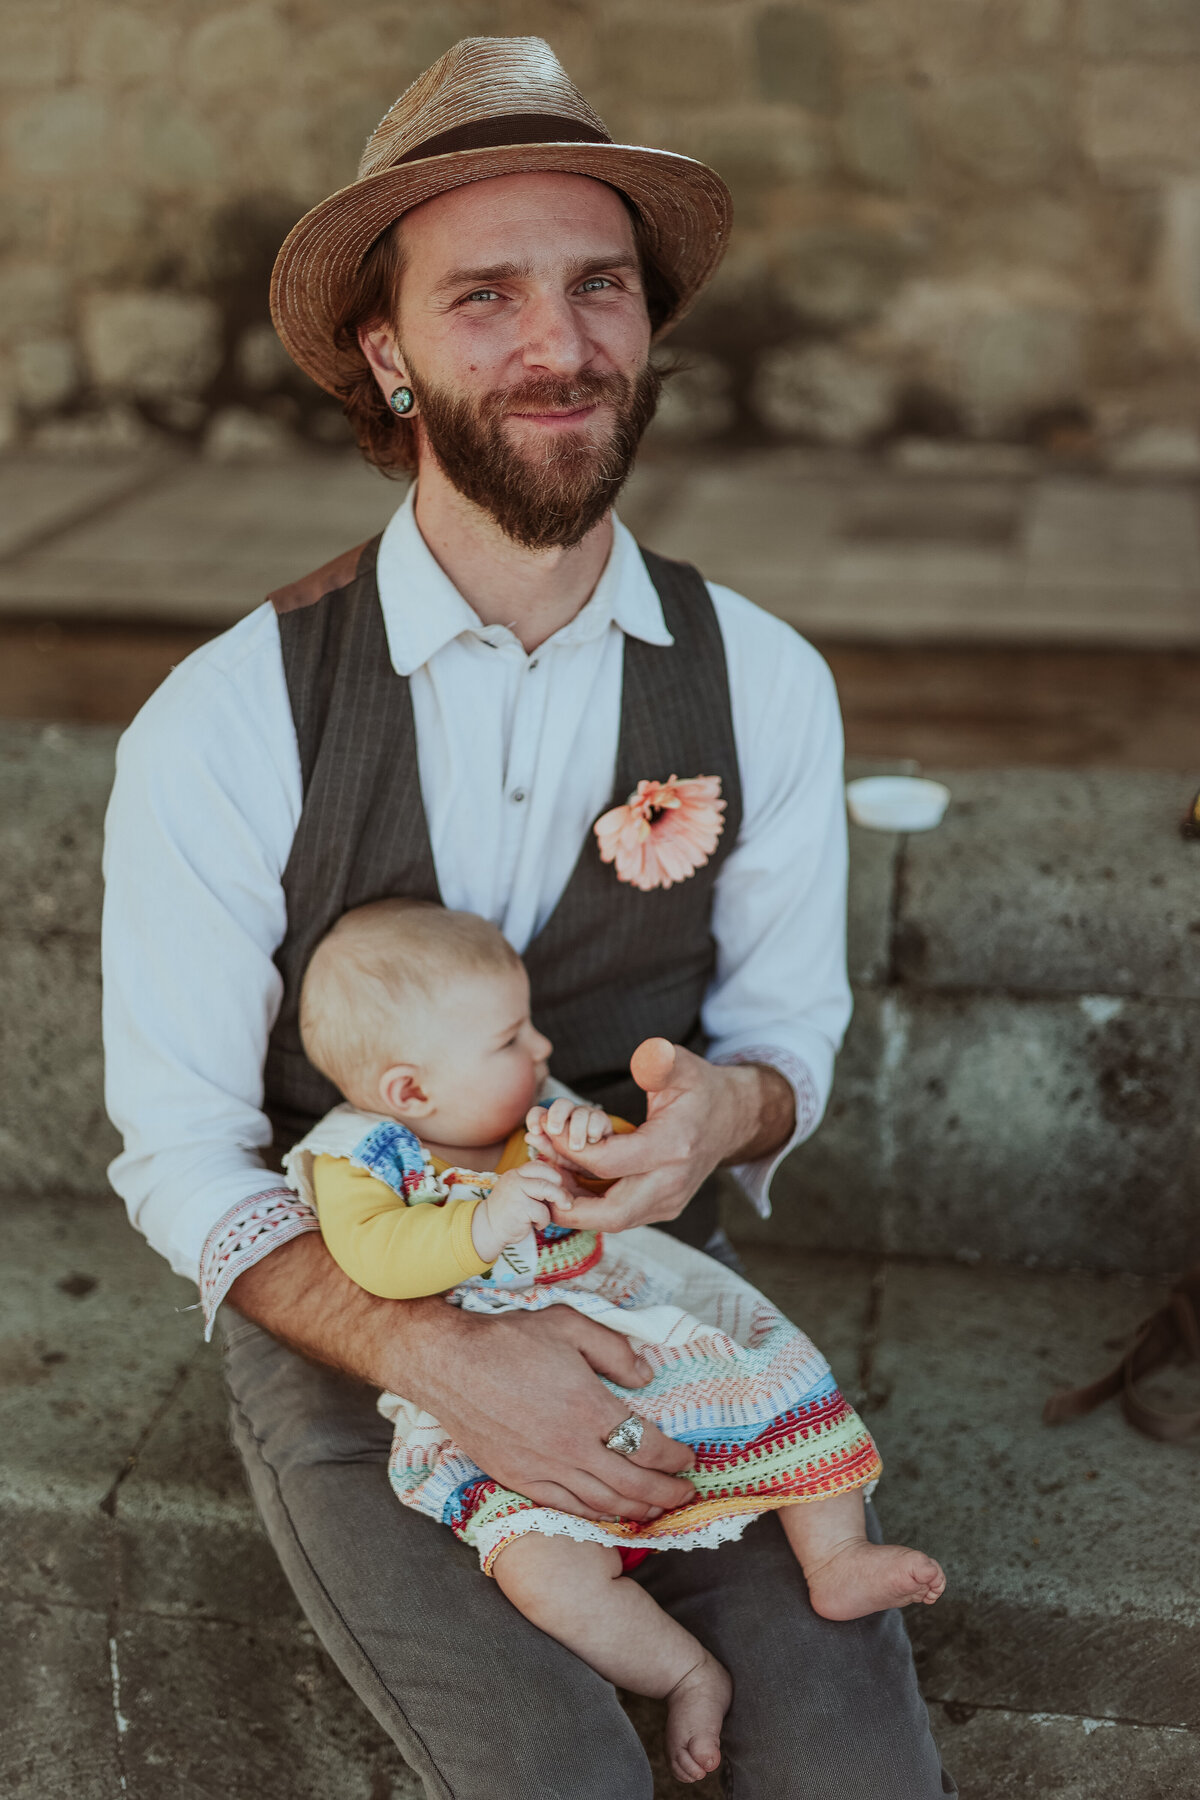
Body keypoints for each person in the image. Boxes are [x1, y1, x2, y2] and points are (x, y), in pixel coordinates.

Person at [102, 35, 955, 1798]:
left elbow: (788, 1037)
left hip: (649, 1299)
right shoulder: (230, 712)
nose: (557, 345)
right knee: (552, 1775)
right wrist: (431, 1350)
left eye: (599, 290)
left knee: (854, 1766)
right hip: (349, 1325)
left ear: (651, 327)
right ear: (389, 352)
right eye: (483, 296)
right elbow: (181, 1148)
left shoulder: (766, 683)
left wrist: (735, 1107)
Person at [286, 898, 946, 1783]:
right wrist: (481, 1227)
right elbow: (376, 1259)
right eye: (512, 1038)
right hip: (479, 1379)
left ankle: (836, 1555)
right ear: (412, 1091)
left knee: (775, 1384)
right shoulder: (358, 1159)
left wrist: (602, 1143)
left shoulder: (530, 1120)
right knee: (541, 1572)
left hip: (624, 1322)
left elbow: (621, 1167)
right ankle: (683, 1671)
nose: (543, 1051)